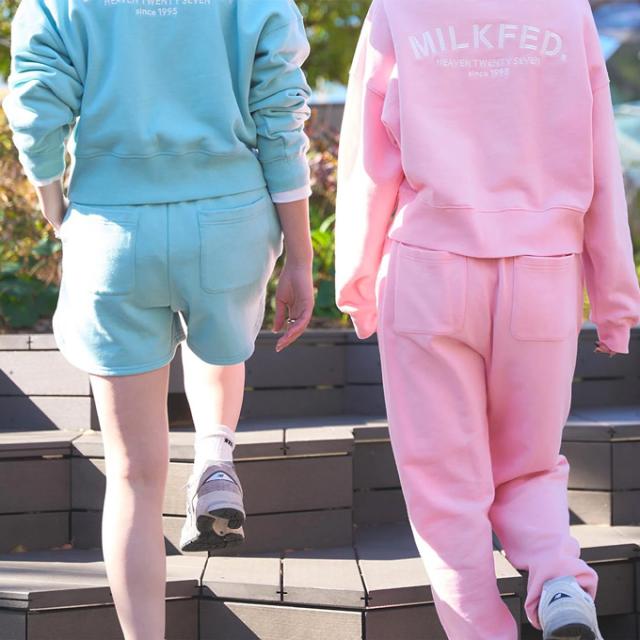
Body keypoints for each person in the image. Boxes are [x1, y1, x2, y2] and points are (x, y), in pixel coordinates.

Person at [2, 0, 315, 638]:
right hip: (229, 222)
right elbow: (280, 112)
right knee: (216, 339)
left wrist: (56, 204)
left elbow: (34, 105)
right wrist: (301, 258)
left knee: (132, 477)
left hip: (112, 229)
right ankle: (214, 454)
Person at [335, 1, 640, 639]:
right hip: (543, 269)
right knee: (530, 462)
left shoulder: (398, 8)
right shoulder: (566, 11)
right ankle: (558, 580)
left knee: (445, 487)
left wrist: (357, 281)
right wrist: (614, 300)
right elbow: (599, 158)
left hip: (430, 270)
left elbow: (370, 156)